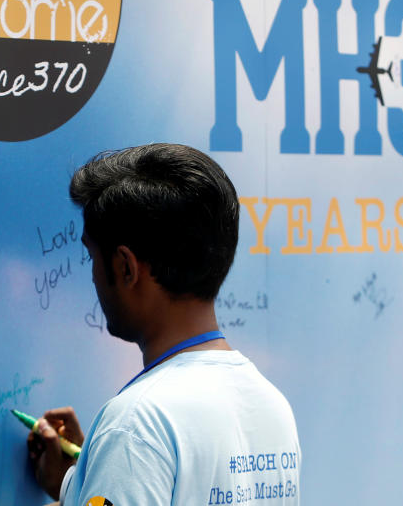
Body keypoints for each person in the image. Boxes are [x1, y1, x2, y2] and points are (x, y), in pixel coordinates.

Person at [27, 143, 301, 505]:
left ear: (126, 267)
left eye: (91, 256)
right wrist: (81, 481)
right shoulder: (272, 406)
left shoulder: (136, 424)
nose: (92, 276)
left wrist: (116, 454)